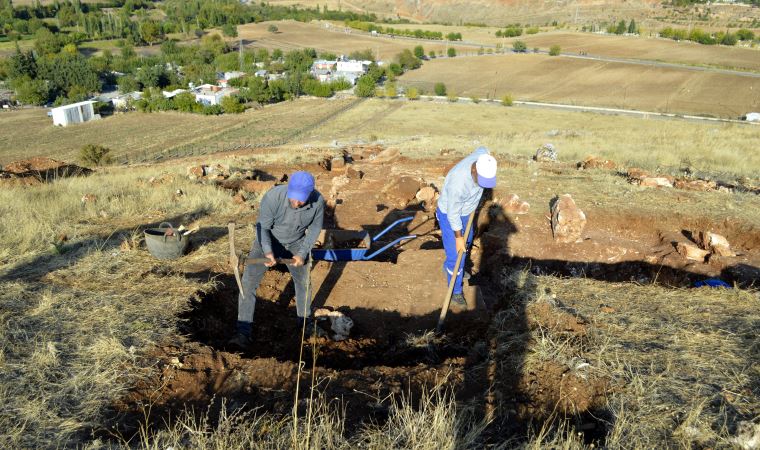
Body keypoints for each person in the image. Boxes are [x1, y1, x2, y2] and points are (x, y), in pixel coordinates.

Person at [231, 171, 325, 346]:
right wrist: (267, 251)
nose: (296, 202)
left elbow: (313, 230)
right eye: (293, 197)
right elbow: (263, 227)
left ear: (310, 193)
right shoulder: (273, 197)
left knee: (304, 282)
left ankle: (305, 324)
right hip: (268, 240)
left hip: (296, 242)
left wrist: (302, 253)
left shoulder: (318, 202)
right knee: (248, 283)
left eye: (301, 199)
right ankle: (243, 332)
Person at [436, 146, 497, 307]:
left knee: (468, 241)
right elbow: (452, 214)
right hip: (450, 215)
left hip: (466, 212)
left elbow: (483, 148)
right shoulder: (459, 183)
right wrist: (458, 237)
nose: (483, 186)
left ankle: (454, 267)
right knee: (457, 254)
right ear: (475, 170)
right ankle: (455, 291)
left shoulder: (482, 157)